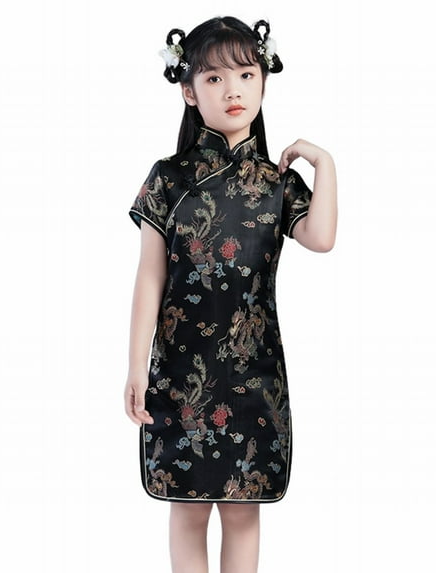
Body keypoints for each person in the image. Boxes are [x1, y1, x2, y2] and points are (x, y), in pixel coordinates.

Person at [123, 15, 337, 573]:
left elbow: (321, 237)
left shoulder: (277, 183)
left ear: (263, 82)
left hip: (253, 370)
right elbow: (150, 277)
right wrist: (136, 366)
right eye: (214, 78)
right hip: (181, 366)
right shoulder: (168, 178)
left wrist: (325, 163)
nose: (233, 90)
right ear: (189, 91)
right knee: (188, 508)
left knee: (243, 511)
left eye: (245, 74)